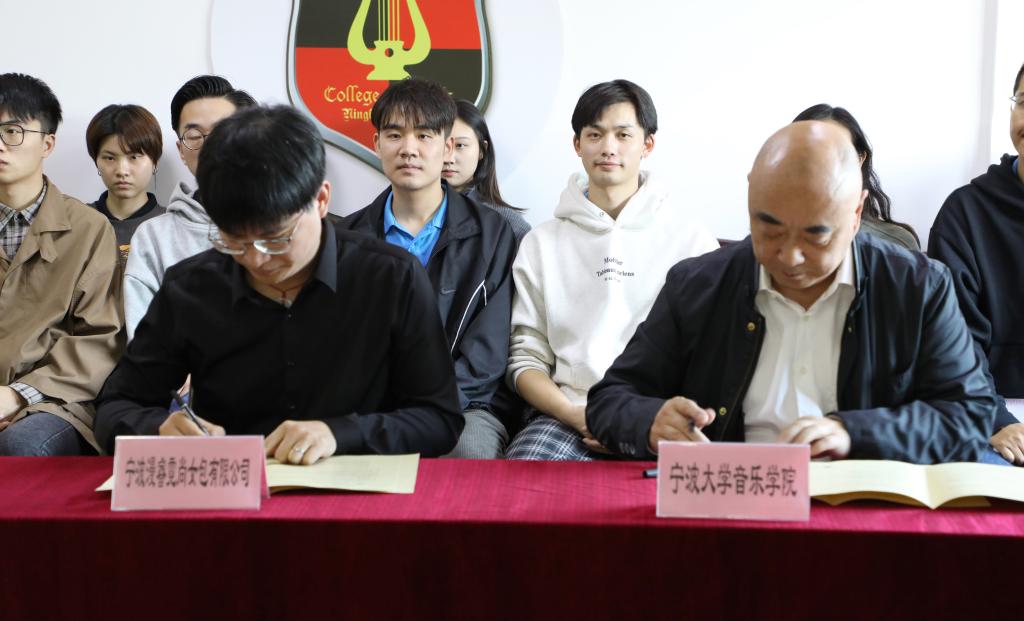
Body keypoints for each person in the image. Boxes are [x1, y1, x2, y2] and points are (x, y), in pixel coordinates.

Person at [586, 120, 996, 464]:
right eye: (770, 231)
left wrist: (853, 433)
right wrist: (650, 421)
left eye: (816, 237)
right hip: (729, 500)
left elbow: (969, 414)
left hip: (858, 502)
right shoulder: (698, 285)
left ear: (856, 213)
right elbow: (610, 399)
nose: (790, 257)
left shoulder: (918, 288)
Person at [95, 104, 463, 461]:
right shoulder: (191, 288)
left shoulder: (391, 277)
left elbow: (438, 418)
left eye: (275, 240)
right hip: (232, 490)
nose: (256, 259)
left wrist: (340, 433)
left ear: (320, 200)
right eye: (233, 242)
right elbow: (117, 406)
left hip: (355, 488)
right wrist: (159, 428)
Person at [505, 79, 719, 461]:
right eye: (595, 134)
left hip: (662, 418)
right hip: (566, 415)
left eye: (623, 135)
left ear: (647, 145)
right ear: (577, 144)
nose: (608, 147)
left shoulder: (691, 241)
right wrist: (575, 414)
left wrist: (638, 422)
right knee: (518, 483)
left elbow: (710, 353)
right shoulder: (542, 243)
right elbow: (525, 358)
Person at [341, 79, 516, 459]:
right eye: (394, 135)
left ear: (447, 146)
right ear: (376, 144)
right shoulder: (347, 238)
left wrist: (424, 411)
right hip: (371, 408)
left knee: (466, 454)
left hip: (463, 405)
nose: (409, 149)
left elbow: (485, 355)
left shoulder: (492, 233)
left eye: (424, 135)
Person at [0, 73, 123, 455]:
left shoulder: (89, 229)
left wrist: (16, 395)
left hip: (54, 398)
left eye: (12, 132)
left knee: (22, 445)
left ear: (47, 143)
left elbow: (100, 339)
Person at [929, 61, 1024, 465]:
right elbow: (952, 339)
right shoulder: (965, 214)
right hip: (991, 414)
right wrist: (995, 419)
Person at [123, 75, 255, 340]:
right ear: (181, 151)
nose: (209, 145)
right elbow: (143, 343)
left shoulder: (282, 225)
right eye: (194, 136)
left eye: (221, 131)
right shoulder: (153, 238)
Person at [792, 104, 919, 251]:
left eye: (837, 153)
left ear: (860, 159)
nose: (821, 164)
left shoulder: (895, 245)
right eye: (808, 151)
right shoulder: (768, 237)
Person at [85, 104, 165, 268]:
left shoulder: (171, 224)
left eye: (134, 157)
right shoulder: (80, 222)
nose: (122, 171)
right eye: (110, 158)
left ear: (155, 162)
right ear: (96, 161)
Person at [443, 99, 531, 245]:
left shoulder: (509, 226)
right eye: (442, 146)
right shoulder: (409, 216)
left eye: (460, 145)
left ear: (482, 150)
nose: (449, 158)